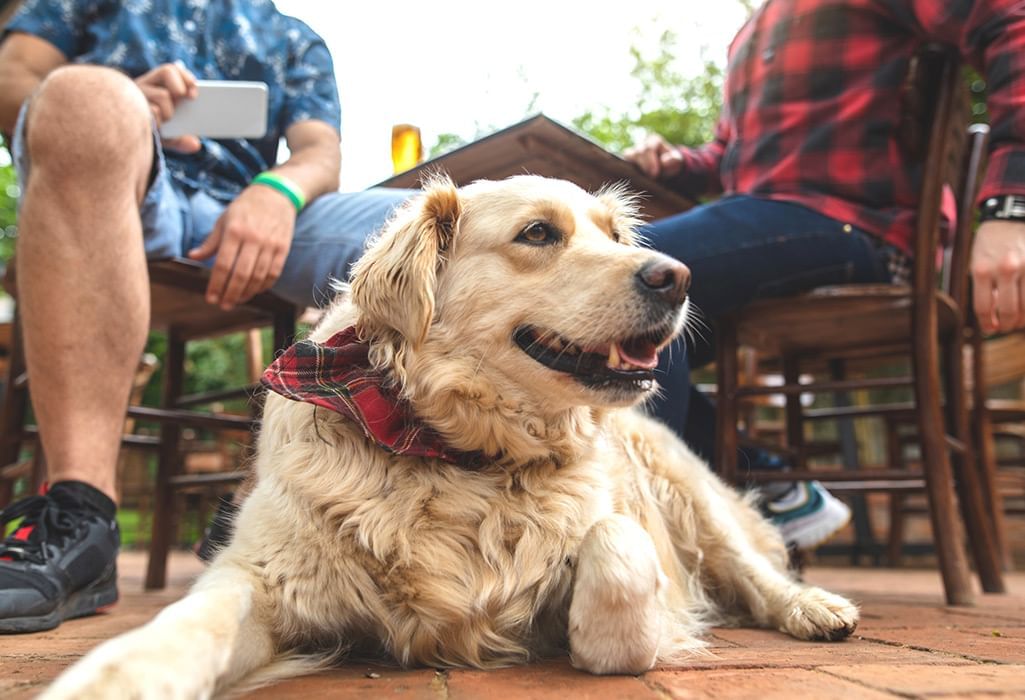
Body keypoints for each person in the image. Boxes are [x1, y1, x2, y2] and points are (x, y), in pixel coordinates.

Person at [0, 0, 412, 633]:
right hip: (128, 187)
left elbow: (318, 152)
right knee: (87, 97)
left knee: (437, 228)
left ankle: (318, 504)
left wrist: (278, 191)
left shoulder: (294, 38)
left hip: (256, 208)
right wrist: (126, 106)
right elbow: (11, 79)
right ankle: (82, 513)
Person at [624, 0, 1025, 551]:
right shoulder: (748, 36)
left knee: (631, 265)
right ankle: (769, 488)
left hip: (862, 227)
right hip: (774, 220)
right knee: (626, 330)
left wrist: (1010, 205)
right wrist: (676, 164)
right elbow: (730, 157)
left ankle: (643, 546)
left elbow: (1009, 22)